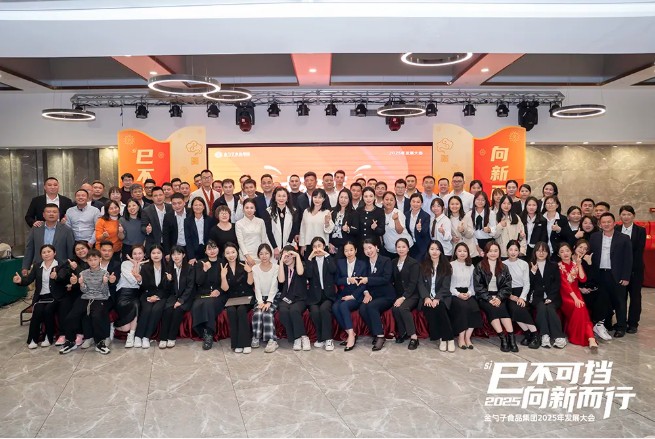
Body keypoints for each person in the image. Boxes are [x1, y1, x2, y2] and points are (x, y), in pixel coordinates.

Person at [59, 249, 112, 355]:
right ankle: (70, 342)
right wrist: (82, 284)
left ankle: (100, 343)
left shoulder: (105, 273)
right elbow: (84, 291)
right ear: (87, 261)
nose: (93, 262)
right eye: (90, 260)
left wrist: (105, 283)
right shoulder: (83, 273)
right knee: (71, 316)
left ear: (100, 259)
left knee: (97, 316)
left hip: (100, 298)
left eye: (95, 259)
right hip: (85, 297)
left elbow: (104, 292)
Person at [13, 244, 66, 348]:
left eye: (49, 251)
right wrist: (20, 281)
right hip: (41, 297)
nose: (46, 254)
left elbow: (64, 279)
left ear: (54, 253)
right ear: (41, 255)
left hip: (55, 297)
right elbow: (28, 280)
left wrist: (57, 277)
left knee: (47, 311)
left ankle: (48, 337)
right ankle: (33, 339)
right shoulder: (37, 266)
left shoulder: (60, 265)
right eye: (44, 252)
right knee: (37, 312)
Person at [589, 212, 632, 338]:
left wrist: (626, 277)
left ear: (614, 223)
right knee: (603, 300)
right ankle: (606, 324)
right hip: (600, 274)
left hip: (617, 275)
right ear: (600, 224)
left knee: (619, 301)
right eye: (604, 222)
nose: (606, 224)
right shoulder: (594, 237)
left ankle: (621, 327)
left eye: (609, 222)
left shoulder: (624, 238)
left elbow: (628, 259)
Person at [473, 241, 518, 353]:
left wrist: (499, 297)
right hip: (484, 297)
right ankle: (503, 338)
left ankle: (511, 338)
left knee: (502, 309)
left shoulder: (504, 267)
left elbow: (507, 286)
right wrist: (489, 298)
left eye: (495, 251)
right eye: (490, 251)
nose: (493, 253)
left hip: (499, 296)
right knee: (492, 309)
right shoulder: (479, 266)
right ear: (486, 253)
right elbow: (478, 287)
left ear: (499, 252)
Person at [557, 243, 598, 352]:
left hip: (576, 293)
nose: (565, 253)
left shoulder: (575, 264)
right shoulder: (559, 266)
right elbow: (565, 285)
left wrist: (579, 265)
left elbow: (583, 279)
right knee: (579, 307)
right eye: (562, 251)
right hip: (565, 295)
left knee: (582, 309)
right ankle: (590, 337)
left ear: (571, 252)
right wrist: (575, 299)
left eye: (567, 251)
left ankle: (590, 338)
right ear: (558, 254)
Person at [358, 238, 395, 351]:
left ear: (376, 247)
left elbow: (386, 279)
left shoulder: (386, 260)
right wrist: (366, 293)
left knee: (371, 306)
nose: (368, 251)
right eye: (365, 249)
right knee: (362, 309)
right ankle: (375, 332)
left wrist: (368, 279)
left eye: (370, 247)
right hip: (372, 295)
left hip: (386, 295)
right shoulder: (364, 263)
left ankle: (380, 336)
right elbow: (361, 281)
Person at [418, 240, 455, 352]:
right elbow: (420, 284)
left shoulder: (446, 266)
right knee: (430, 308)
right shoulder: (422, 265)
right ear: (428, 251)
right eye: (432, 249)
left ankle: (448, 338)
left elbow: (446, 286)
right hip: (427, 297)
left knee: (440, 308)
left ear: (441, 251)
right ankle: (443, 338)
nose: (434, 252)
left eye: (437, 249)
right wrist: (426, 297)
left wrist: (437, 298)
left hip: (442, 296)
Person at [528, 242, 566, 349]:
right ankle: (544, 335)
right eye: (539, 251)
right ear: (535, 252)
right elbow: (528, 284)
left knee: (549, 308)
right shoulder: (530, 265)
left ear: (548, 253)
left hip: (552, 297)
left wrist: (550, 298)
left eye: (544, 251)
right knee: (541, 308)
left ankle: (559, 337)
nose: (541, 253)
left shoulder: (553, 265)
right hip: (537, 297)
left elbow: (557, 284)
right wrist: (532, 272)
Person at [502, 240, 539, 349]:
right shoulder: (503, 264)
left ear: (519, 251)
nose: (513, 252)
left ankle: (533, 334)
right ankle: (531, 334)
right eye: (511, 250)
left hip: (522, 292)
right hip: (508, 293)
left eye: (516, 250)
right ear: (507, 251)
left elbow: (527, 283)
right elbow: (501, 284)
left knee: (518, 307)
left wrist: (522, 297)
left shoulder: (523, 264)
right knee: (514, 308)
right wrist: (509, 295)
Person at [191, 240, 227, 350]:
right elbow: (198, 282)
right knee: (197, 305)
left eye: (214, 248)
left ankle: (209, 334)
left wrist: (219, 290)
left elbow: (227, 282)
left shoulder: (223, 263)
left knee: (209, 304)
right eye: (209, 249)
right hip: (203, 293)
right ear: (205, 251)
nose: (212, 251)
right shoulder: (200, 263)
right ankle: (202, 331)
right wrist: (204, 270)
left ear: (218, 249)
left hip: (219, 294)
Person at [574, 239, 611, 341]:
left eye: (585, 249)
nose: (582, 250)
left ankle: (599, 324)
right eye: (580, 247)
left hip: (587, 289)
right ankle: (598, 324)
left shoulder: (586, 260)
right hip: (575, 291)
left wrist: (590, 263)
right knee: (597, 296)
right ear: (574, 247)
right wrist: (580, 289)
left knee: (603, 293)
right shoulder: (569, 259)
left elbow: (593, 279)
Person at [617, 205, 646, 334]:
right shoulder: (616, 229)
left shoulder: (640, 231)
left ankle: (633, 323)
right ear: (620, 216)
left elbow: (638, 251)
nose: (626, 217)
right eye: (623, 214)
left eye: (629, 214)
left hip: (635, 269)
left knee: (635, 297)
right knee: (620, 297)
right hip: (619, 270)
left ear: (633, 215)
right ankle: (621, 322)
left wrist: (629, 268)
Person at [134, 245, 170, 348]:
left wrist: (157, 296)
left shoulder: (168, 267)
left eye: (158, 253)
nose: (156, 255)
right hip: (147, 294)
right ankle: (138, 336)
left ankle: (146, 337)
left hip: (162, 295)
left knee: (156, 310)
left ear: (162, 254)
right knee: (147, 309)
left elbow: (168, 288)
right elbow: (144, 287)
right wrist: (140, 280)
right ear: (150, 255)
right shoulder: (145, 267)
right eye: (153, 253)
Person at [221, 242, 255, 353]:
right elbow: (225, 289)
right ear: (224, 255)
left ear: (237, 252)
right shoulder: (223, 268)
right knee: (231, 311)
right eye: (228, 253)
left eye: (233, 252)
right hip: (231, 299)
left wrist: (250, 271)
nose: (231, 255)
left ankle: (245, 343)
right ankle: (236, 344)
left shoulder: (243, 264)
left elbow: (250, 283)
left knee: (241, 310)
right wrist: (223, 276)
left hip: (246, 297)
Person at [333, 242, 367, 351]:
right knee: (335, 307)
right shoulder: (340, 263)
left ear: (356, 250)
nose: (349, 253)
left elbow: (364, 284)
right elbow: (337, 280)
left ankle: (351, 336)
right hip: (343, 294)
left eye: (351, 250)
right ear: (343, 252)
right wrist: (348, 280)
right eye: (346, 250)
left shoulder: (363, 264)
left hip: (357, 295)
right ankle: (351, 333)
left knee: (343, 306)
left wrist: (353, 296)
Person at [305, 237, 337, 351]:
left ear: (324, 246)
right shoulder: (311, 261)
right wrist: (309, 258)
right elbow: (308, 275)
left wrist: (327, 255)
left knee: (324, 309)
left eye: (319, 246)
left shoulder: (329, 258)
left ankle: (328, 339)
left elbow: (333, 270)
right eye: (314, 246)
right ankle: (320, 338)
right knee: (314, 312)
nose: (317, 249)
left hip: (328, 295)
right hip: (314, 296)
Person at [159, 246, 195, 348]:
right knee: (167, 310)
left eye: (179, 254)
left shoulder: (190, 268)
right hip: (173, 296)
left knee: (178, 310)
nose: (176, 256)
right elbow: (165, 288)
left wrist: (181, 300)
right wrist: (168, 280)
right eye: (174, 254)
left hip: (186, 297)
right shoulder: (168, 268)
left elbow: (190, 287)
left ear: (183, 255)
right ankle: (163, 338)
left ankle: (171, 337)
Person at [22, 204, 74, 274]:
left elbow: (70, 250)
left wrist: (70, 266)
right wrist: (25, 267)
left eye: (54, 212)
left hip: (60, 267)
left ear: (58, 214)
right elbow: (29, 248)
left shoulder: (67, 230)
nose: (51, 214)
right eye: (48, 212)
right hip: (39, 266)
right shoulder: (36, 228)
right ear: (43, 214)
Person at [449, 242, 482, 349]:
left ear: (468, 253)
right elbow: (448, 285)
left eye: (465, 251)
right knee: (463, 307)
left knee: (474, 308)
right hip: (454, 294)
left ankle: (468, 338)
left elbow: (473, 284)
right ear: (455, 253)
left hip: (468, 293)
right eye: (459, 251)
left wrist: (469, 293)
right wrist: (458, 294)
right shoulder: (451, 265)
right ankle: (461, 338)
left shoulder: (471, 266)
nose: (462, 253)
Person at [277, 245, 310, 351]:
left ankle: (303, 337)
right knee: (283, 311)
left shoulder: (301, 265)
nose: (286, 258)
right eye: (284, 256)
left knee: (294, 310)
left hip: (300, 298)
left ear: (293, 255)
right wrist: (281, 261)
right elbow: (281, 280)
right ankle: (297, 338)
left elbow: (300, 272)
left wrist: (297, 255)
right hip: (286, 297)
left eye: (288, 256)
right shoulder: (283, 267)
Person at [114, 245, 146, 348]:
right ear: (131, 255)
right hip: (123, 293)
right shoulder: (125, 264)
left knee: (137, 304)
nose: (137, 256)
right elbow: (132, 280)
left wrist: (139, 275)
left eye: (140, 253)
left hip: (136, 294)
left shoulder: (145, 266)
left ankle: (131, 336)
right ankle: (113, 326)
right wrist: (136, 266)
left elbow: (143, 283)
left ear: (144, 254)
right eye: (134, 254)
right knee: (125, 328)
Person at [391, 238, 420, 349]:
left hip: (412, 295)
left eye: (404, 247)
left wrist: (403, 297)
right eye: (399, 247)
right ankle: (403, 332)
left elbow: (413, 284)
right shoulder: (393, 262)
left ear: (408, 248)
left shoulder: (414, 263)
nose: (401, 249)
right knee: (395, 308)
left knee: (403, 308)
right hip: (399, 294)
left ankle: (414, 337)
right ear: (396, 249)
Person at [251, 244, 280, 353]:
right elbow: (257, 286)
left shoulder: (276, 267)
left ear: (271, 254)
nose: (264, 256)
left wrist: (269, 301)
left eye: (266, 253)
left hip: (273, 296)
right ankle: (256, 336)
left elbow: (274, 285)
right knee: (258, 312)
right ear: (258, 255)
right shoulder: (255, 268)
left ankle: (272, 340)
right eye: (261, 253)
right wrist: (260, 301)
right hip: (260, 297)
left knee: (267, 312)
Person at [263, 187, 300, 260]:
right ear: (275, 197)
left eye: (284, 196)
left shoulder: (293, 211)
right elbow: (268, 231)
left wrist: (287, 246)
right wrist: (275, 248)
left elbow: (294, 229)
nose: (281, 198)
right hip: (273, 246)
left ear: (287, 198)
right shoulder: (268, 211)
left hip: (289, 244)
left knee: (288, 263)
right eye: (279, 196)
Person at [299, 188, 334, 257]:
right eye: (315, 197)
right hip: (308, 244)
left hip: (322, 245)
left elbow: (329, 230)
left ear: (324, 199)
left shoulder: (326, 212)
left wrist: (327, 223)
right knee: (309, 263)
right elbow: (302, 229)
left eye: (320, 197)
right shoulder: (306, 211)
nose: (317, 200)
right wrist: (302, 245)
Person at [236, 198, 269, 265]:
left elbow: (264, 239)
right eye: (247, 208)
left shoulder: (260, 221)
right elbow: (240, 242)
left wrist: (263, 254)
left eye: (251, 208)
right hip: (245, 256)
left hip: (259, 255)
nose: (249, 210)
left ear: (255, 209)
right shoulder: (239, 223)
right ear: (243, 209)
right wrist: (248, 257)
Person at [329, 188, 359, 259]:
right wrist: (329, 243)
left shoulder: (354, 213)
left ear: (349, 199)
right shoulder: (332, 211)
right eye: (341, 197)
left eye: (346, 198)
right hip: (331, 245)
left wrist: (348, 229)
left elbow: (356, 230)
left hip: (345, 246)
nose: (343, 200)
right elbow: (327, 230)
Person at [382, 191, 412, 259]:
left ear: (395, 202)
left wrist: (396, 220)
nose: (389, 202)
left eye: (391, 200)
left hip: (403, 249)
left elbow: (399, 231)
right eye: (386, 199)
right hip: (389, 250)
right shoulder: (380, 213)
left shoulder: (398, 213)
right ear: (383, 201)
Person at [184, 197, 215, 262]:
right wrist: (191, 257)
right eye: (195, 205)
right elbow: (188, 240)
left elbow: (212, 238)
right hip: (194, 251)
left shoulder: (209, 220)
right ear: (192, 207)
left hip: (208, 250)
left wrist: (210, 251)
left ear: (204, 207)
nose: (198, 207)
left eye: (200, 205)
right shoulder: (187, 221)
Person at [449, 196, 478, 261]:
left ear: (460, 205)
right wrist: (452, 238)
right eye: (452, 204)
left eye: (457, 204)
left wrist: (463, 230)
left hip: (469, 250)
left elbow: (471, 234)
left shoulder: (467, 216)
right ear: (449, 205)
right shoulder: (447, 219)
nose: (454, 206)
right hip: (456, 251)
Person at [357, 187, 385, 254]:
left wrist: (375, 228)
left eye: (371, 196)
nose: (368, 199)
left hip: (374, 245)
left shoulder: (380, 211)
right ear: (362, 197)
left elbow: (382, 231)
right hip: (360, 245)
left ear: (374, 197)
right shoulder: (358, 210)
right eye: (366, 196)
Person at [162, 192, 189, 257]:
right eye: (174, 204)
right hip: (175, 248)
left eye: (179, 203)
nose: (177, 206)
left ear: (184, 202)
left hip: (190, 247)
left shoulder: (191, 213)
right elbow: (165, 235)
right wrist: (167, 253)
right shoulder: (168, 216)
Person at [405, 193, 431, 262]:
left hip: (422, 246)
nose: (415, 204)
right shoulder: (406, 214)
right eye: (413, 201)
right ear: (410, 202)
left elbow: (425, 233)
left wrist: (419, 229)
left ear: (421, 204)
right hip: (411, 245)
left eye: (418, 202)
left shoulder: (426, 216)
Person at [471, 191, 496, 260]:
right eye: (478, 199)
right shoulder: (470, 214)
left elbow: (494, 230)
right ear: (474, 200)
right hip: (474, 242)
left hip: (488, 242)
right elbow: (470, 232)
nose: (480, 202)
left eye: (482, 200)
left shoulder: (491, 213)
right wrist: (476, 246)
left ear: (486, 201)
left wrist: (489, 230)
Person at [521, 196, 548, 261]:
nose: (531, 207)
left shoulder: (542, 220)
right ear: (525, 206)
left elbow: (544, 237)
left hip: (536, 249)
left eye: (534, 205)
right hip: (522, 248)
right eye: (529, 205)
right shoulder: (520, 218)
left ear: (537, 206)